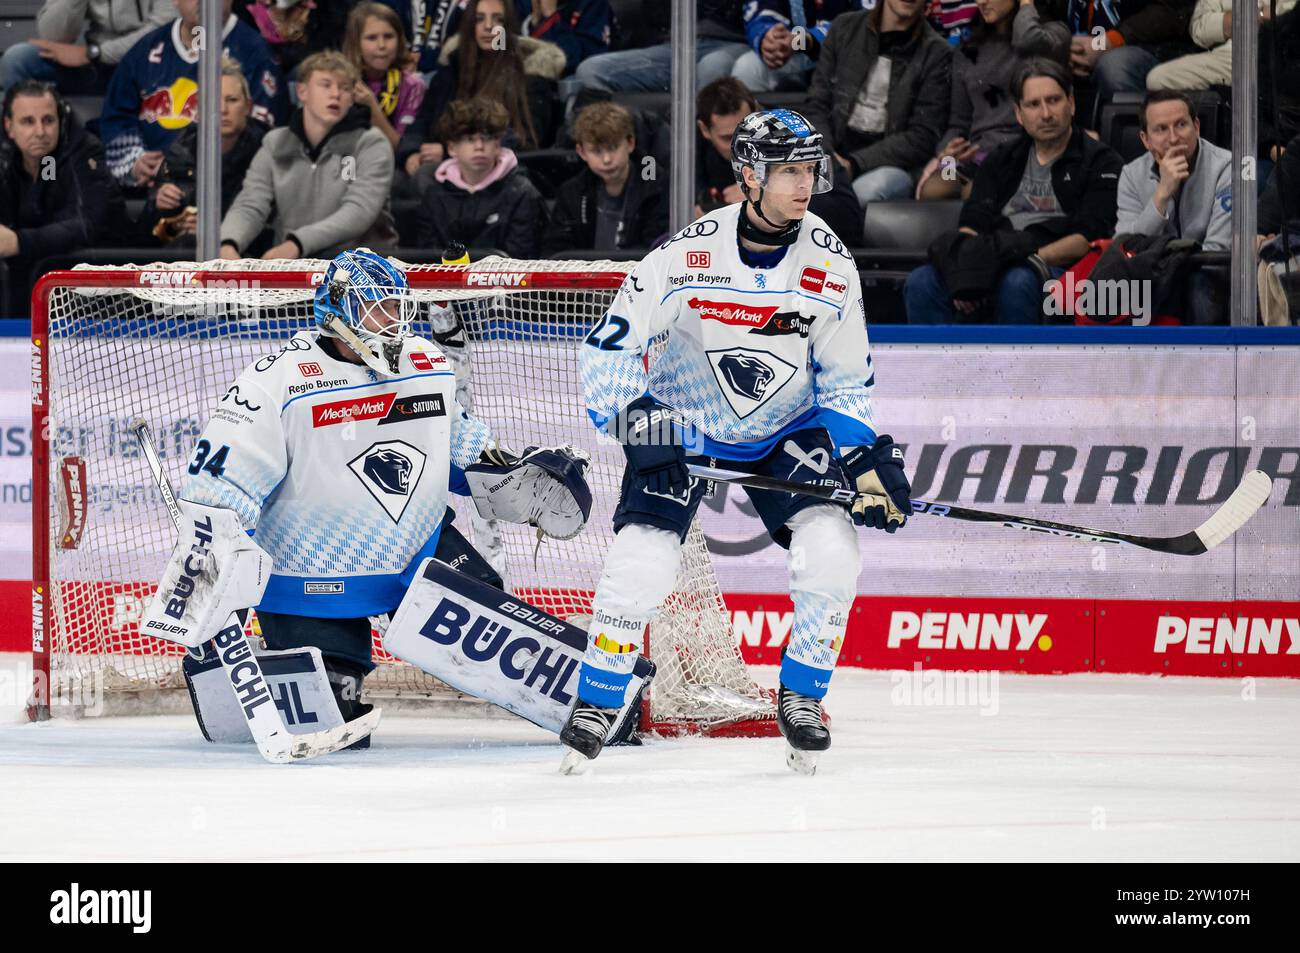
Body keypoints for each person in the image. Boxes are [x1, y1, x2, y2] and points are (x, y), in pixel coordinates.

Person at [561, 109, 912, 774]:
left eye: (809, 168)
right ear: (748, 174)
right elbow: (608, 351)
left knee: (833, 549)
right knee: (640, 561)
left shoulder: (832, 267)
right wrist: (639, 421)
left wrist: (864, 459)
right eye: (787, 170)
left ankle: (802, 696)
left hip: (784, 429)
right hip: (682, 421)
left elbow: (844, 382)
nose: (803, 183)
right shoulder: (685, 255)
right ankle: (596, 700)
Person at [139, 248, 594, 747]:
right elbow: (219, 488)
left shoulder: (425, 362)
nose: (394, 321)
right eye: (377, 307)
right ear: (336, 309)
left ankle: (599, 705)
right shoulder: (276, 382)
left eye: (399, 306)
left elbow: (458, 447)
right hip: (310, 572)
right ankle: (301, 671)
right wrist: (215, 576)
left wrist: (504, 474)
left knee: (509, 641)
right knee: (336, 720)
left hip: (417, 552)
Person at [904, 57, 1123, 323]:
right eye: (1033, 104)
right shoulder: (1001, 158)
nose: (1045, 113)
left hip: (1064, 272)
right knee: (922, 281)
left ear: (1072, 103)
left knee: (1016, 281)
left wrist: (1006, 264)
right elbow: (971, 225)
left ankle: (1016, 366)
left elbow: (1085, 240)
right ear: (1019, 114)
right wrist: (967, 272)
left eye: (1053, 100)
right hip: (999, 261)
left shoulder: (1101, 160)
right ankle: (942, 366)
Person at [220, 50, 396, 260]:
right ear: (302, 92)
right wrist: (228, 243)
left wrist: (297, 243)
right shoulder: (275, 143)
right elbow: (251, 203)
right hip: (294, 266)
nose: (336, 94)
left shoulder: (371, 143)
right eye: (326, 85)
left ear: (352, 99)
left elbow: (358, 211)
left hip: (363, 270)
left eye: (345, 88)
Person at [99, 0, 285, 189]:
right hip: (155, 189)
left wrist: (185, 166)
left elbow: (262, 133)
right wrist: (136, 161)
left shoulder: (255, 52)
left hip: (228, 187)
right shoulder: (146, 49)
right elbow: (117, 117)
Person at [800, 0, 953, 207]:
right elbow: (817, 103)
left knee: (865, 192)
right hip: (831, 151)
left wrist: (855, 164)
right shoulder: (844, 28)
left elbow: (922, 135)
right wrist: (828, 158)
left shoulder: (937, 52)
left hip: (890, 165)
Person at [917, 0, 1070, 201]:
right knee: (933, 190)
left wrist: (1025, 5)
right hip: (975, 158)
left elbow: (1027, 41)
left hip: (1028, 155)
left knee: (975, 192)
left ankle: (973, 229)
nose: (981, 1)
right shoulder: (967, 49)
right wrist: (943, 158)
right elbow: (959, 123)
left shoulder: (1051, 36)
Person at [398, 0, 561, 188]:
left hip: (500, 171)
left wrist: (450, 153)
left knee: (426, 176)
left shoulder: (528, 76)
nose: (489, 26)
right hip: (442, 162)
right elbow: (422, 120)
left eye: (498, 20)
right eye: (479, 19)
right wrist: (411, 153)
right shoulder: (452, 70)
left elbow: (525, 139)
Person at [0, 80, 124, 316]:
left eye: (48, 120)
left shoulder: (83, 151)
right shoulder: (7, 157)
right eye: (28, 121)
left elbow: (86, 225)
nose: (40, 132)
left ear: (60, 120)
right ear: (9, 126)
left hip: (96, 288)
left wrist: (19, 241)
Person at [695, 77, 864, 244]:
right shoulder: (688, 151)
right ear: (705, 130)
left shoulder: (798, 138)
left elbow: (848, 217)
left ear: (756, 111)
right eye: (726, 139)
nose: (740, 145)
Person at [1115, 90, 1231, 323]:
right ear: (1145, 139)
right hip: (1152, 276)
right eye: (1160, 129)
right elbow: (1125, 248)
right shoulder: (1131, 174)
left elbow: (1218, 251)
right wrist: (1162, 194)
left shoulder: (1227, 167)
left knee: (1198, 286)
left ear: (1196, 127)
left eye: (1181, 125)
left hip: (1206, 274)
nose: (1174, 137)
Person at [141, 55, 267, 245]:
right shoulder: (180, 149)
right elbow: (147, 232)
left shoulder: (268, 149)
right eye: (214, 100)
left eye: (232, 100)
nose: (223, 109)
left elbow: (273, 222)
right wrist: (161, 207)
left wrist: (215, 231)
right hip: (186, 256)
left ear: (248, 107)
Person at [1021, 0, 1197, 122]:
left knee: (1114, 67)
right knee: (1033, 63)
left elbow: (1172, 10)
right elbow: (1041, 9)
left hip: (1145, 46)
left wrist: (1109, 41)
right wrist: (1060, 43)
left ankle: (1135, 156)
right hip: (1071, 45)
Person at [414, 96, 545, 256]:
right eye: (469, 139)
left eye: (487, 139)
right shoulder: (433, 196)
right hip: (446, 281)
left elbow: (523, 257)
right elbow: (428, 258)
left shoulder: (522, 193)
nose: (479, 146)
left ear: (498, 145)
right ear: (451, 148)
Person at [544, 101, 667, 253]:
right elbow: (556, 251)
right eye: (597, 151)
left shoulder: (656, 187)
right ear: (581, 152)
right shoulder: (570, 193)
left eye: (613, 148)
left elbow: (658, 249)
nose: (607, 159)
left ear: (630, 143)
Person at [0, 0, 174, 96]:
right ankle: (22, 155)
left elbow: (163, 30)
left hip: (148, 64)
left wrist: (96, 53)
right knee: (18, 59)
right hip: (96, 65)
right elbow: (53, 35)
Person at [573, 0, 749, 93]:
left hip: (730, 43)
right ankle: (620, 154)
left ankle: (702, 156)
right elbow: (654, 18)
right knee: (592, 70)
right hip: (672, 49)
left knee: (711, 67)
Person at [1147, 0, 1296, 90]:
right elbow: (1200, 29)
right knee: (1159, 79)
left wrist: (1227, 21)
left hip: (1280, 52)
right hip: (1228, 55)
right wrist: (1258, 16)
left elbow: (1285, 18)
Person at [731, 0, 869, 93]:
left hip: (853, 57)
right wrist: (770, 38)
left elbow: (863, 25)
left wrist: (800, 39)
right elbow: (761, 11)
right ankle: (759, 133)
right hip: (797, 50)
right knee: (748, 68)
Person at [344, 2, 427, 151]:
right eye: (372, 38)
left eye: (388, 36)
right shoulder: (341, 82)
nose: (382, 45)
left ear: (400, 40)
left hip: (387, 164)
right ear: (356, 43)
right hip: (346, 161)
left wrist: (372, 107)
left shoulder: (413, 86)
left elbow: (399, 148)